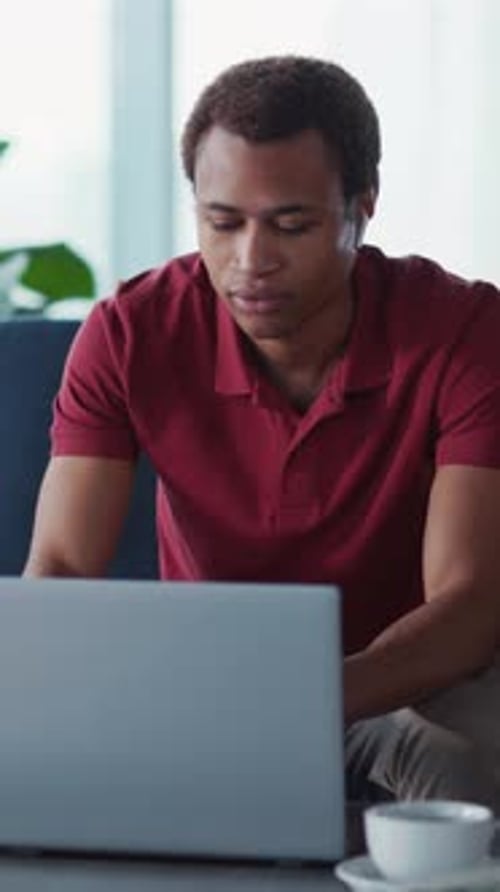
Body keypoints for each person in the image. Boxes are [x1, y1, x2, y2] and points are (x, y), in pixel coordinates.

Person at [24, 55, 500, 812]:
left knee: (469, 757)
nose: (251, 262)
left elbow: (471, 603)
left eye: (292, 224)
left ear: (363, 207)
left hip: (412, 684)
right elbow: (60, 566)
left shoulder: (465, 330)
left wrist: (292, 703)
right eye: (223, 222)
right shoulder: (127, 332)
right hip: (197, 688)